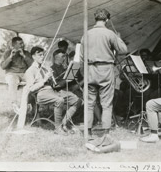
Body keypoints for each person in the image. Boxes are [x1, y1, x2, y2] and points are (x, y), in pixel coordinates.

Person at [80, 8, 128, 139]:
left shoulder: (86, 34)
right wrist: (118, 38)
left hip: (90, 69)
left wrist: (85, 74)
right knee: (106, 103)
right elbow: (124, 50)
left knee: (89, 103)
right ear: (107, 19)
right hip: (105, 69)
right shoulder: (110, 34)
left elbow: (82, 57)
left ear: (95, 19)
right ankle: (106, 133)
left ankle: (88, 133)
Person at [25, 46, 81, 134]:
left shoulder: (43, 69)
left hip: (52, 91)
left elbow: (54, 85)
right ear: (33, 56)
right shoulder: (30, 71)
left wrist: (51, 78)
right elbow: (31, 88)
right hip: (40, 93)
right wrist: (44, 80)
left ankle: (64, 123)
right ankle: (58, 128)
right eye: (39, 55)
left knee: (77, 100)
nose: (42, 57)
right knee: (59, 100)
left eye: (43, 55)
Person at [0, 37, 33, 109]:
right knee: (12, 80)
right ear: (14, 45)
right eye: (20, 44)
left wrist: (24, 56)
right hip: (12, 74)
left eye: (23, 43)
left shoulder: (26, 53)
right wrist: (10, 57)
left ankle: (30, 103)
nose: (22, 45)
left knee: (33, 80)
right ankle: (14, 104)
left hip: (24, 74)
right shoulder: (7, 53)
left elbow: (32, 66)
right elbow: (3, 66)